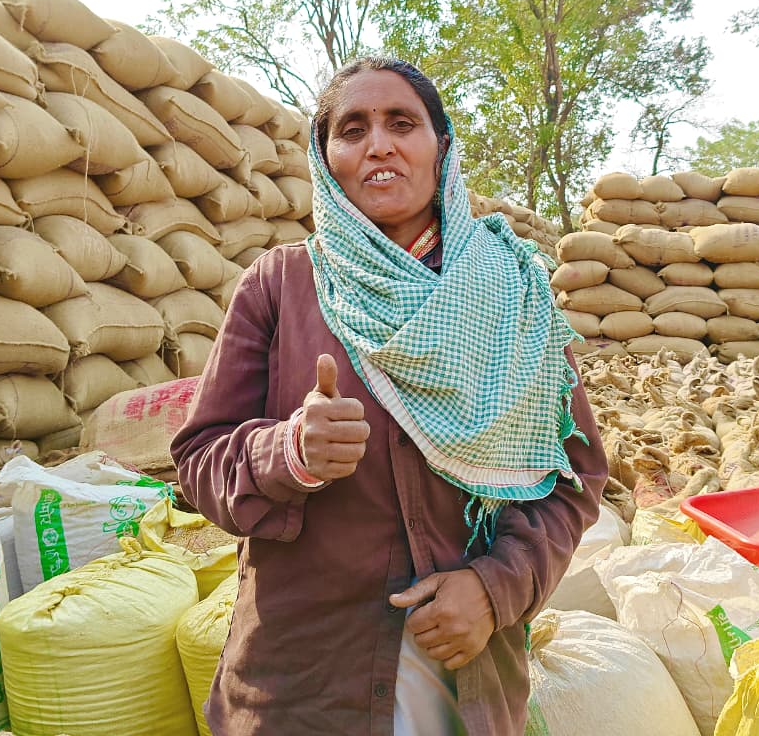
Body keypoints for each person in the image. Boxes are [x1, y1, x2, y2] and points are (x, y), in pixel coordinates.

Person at [172, 55, 608, 735]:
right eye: (352, 129)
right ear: (326, 161)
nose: (379, 143)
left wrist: (495, 591)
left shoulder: (512, 291)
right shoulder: (280, 286)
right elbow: (199, 460)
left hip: (463, 676)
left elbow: (573, 479)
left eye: (402, 123)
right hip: (307, 685)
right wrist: (287, 451)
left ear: (441, 147)